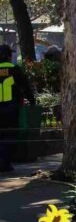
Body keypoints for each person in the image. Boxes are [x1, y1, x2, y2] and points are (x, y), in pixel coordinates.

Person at [0, 44, 36, 172]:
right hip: (11, 108)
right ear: (9, 56)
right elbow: (25, 86)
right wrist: (32, 101)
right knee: (10, 135)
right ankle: (5, 163)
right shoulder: (14, 69)